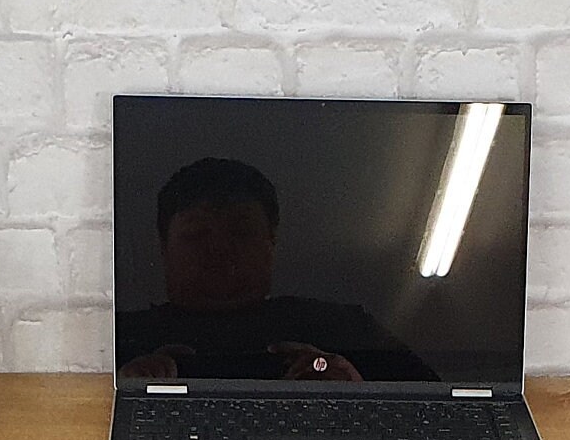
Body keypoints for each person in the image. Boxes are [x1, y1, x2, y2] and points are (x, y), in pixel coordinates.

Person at [116, 156, 439, 383]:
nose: (219, 250)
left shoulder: (343, 327)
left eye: (241, 232)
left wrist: (357, 391)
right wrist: (123, 390)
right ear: (163, 246)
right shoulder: (122, 337)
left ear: (271, 243)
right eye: (197, 234)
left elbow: (438, 408)